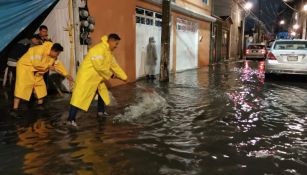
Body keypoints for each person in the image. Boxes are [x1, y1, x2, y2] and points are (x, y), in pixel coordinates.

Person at [67, 33, 128, 127]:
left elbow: (114, 65)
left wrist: (124, 77)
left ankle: (100, 112)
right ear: (111, 41)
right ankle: (70, 120)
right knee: (78, 98)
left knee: (102, 92)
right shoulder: (99, 49)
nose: (116, 46)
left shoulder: (108, 52)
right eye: (116, 44)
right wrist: (111, 75)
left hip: (98, 77)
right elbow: (99, 66)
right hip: (87, 77)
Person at [10, 42, 73, 118]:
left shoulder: (52, 56)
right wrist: (48, 67)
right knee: (22, 87)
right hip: (25, 67)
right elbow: (36, 63)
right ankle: (14, 109)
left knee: (40, 86)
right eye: (58, 53)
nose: (57, 56)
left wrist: (66, 74)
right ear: (54, 51)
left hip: (38, 70)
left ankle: (40, 105)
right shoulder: (39, 49)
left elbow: (58, 64)